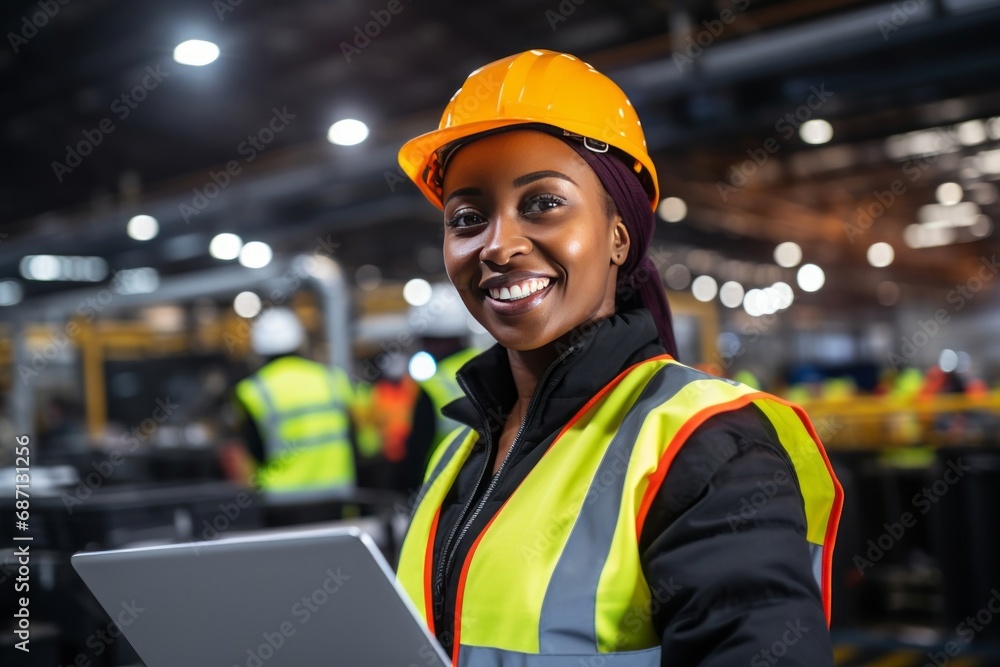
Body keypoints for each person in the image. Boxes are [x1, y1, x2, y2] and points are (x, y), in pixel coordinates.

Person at [392, 50, 843, 666]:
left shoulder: (706, 444)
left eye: (543, 202)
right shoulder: (455, 457)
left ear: (618, 235)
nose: (498, 245)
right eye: (467, 218)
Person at [232, 307, 357, 492]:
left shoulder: (253, 390)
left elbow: (254, 451)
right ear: (300, 342)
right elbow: (353, 437)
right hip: (337, 495)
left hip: (283, 502)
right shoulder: (332, 379)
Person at [403, 283, 482, 493]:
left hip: (447, 482)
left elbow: (418, 447)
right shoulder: (490, 363)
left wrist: (409, 489)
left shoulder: (433, 383)